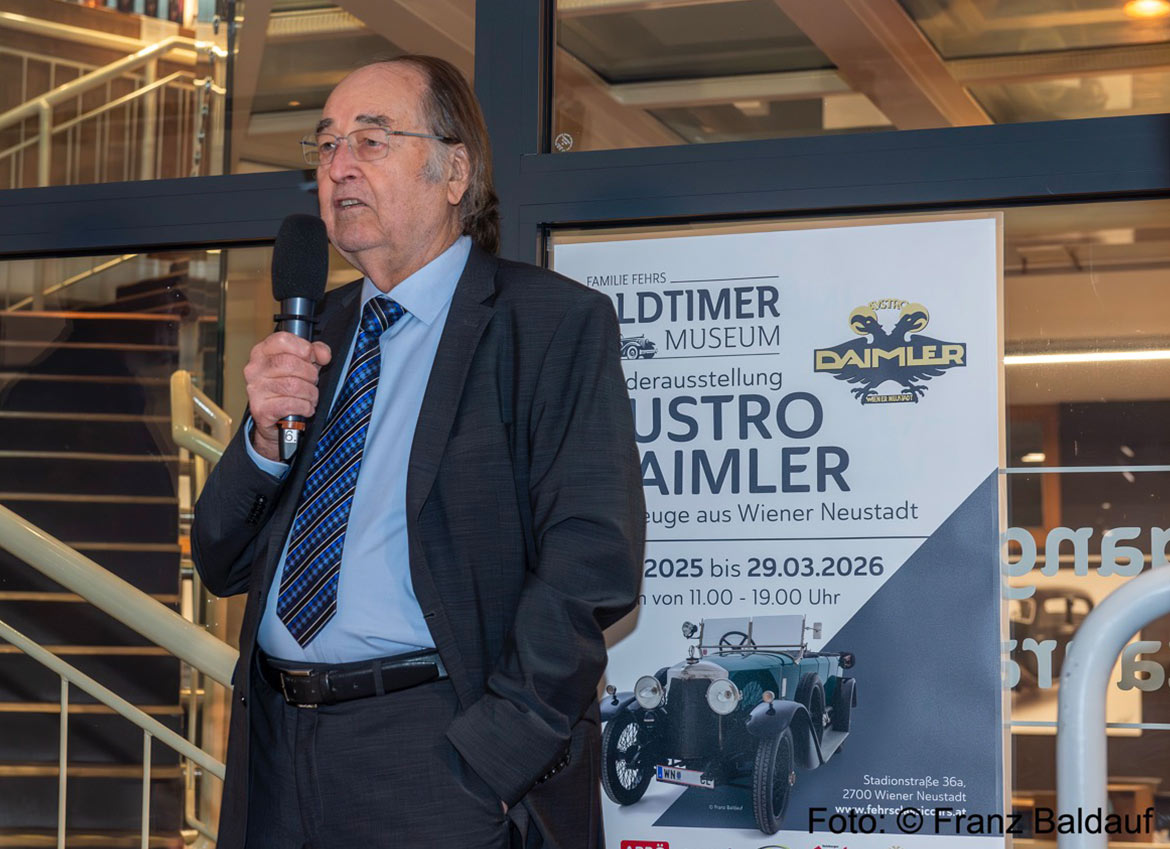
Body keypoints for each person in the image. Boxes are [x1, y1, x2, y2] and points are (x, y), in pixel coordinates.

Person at [191, 55, 644, 849]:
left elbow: (591, 559)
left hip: (437, 757)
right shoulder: (314, 331)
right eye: (326, 145)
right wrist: (262, 442)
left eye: (371, 141)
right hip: (277, 756)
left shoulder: (548, 324)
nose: (339, 167)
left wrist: (493, 760)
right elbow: (220, 558)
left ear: (454, 172)